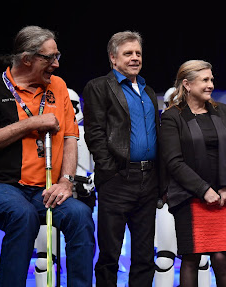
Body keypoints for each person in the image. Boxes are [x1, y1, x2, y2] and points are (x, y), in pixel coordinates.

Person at [0, 26, 95, 287]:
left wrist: (67, 181)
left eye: (58, 56)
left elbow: (71, 137)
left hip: (44, 190)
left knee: (80, 215)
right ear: (27, 59)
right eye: (50, 58)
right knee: (22, 214)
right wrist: (30, 123)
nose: (56, 65)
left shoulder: (58, 87)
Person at [83, 31, 160, 287]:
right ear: (113, 59)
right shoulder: (98, 87)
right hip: (117, 180)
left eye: (138, 53)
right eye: (128, 53)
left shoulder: (148, 90)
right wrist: (109, 172)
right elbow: (94, 134)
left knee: (145, 256)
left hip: (148, 181)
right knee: (109, 255)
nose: (135, 58)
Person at [160, 60, 226, 287]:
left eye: (212, 79)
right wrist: (203, 190)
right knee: (191, 258)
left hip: (222, 198)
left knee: (221, 258)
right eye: (205, 80)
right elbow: (173, 162)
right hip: (188, 197)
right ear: (187, 84)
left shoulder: (223, 111)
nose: (210, 85)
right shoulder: (172, 117)